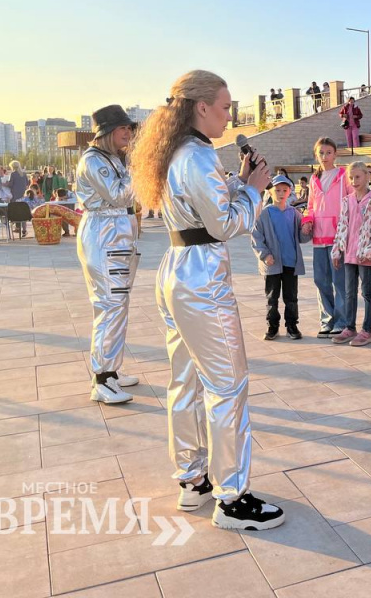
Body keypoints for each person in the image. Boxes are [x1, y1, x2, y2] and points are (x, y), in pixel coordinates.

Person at [128, 70, 283, 530]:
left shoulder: (181, 153)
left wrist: (238, 181)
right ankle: (233, 498)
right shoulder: (196, 156)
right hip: (202, 280)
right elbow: (224, 225)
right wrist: (255, 191)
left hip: (177, 268)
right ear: (201, 107)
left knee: (186, 380)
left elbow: (206, 209)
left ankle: (193, 480)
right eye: (225, 105)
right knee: (228, 386)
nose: (229, 114)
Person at [74, 105, 140, 405]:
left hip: (117, 233)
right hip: (104, 234)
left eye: (129, 128)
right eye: (123, 128)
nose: (128, 133)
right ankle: (101, 378)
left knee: (118, 304)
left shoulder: (113, 158)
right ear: (108, 132)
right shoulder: (94, 160)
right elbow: (117, 194)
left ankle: (111, 370)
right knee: (109, 304)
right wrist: (140, 171)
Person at [331, 161, 371, 346]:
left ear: (367, 176)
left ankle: (367, 330)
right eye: (351, 178)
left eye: (358, 177)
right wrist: (337, 250)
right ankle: (349, 327)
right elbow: (342, 227)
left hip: (365, 255)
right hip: (349, 253)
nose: (354, 181)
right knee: (349, 292)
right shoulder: (346, 200)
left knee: (367, 292)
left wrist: (370, 251)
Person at [252, 175, 309, 341]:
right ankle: (272, 325)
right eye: (277, 190)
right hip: (272, 263)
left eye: (285, 190)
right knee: (272, 297)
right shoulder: (263, 214)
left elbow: (302, 237)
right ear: (270, 191)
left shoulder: (294, 213)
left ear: (290, 192)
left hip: (291, 262)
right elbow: (256, 238)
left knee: (291, 297)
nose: (281, 193)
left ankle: (292, 325)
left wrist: (306, 229)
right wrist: (265, 255)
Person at [303, 138, 348, 337]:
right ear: (316, 155)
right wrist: (307, 221)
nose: (325, 157)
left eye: (328, 152)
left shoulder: (343, 175)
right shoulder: (314, 179)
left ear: (335, 154)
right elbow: (311, 206)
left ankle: (341, 321)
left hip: (338, 237)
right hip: (319, 238)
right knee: (321, 280)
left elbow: (351, 202)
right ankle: (327, 320)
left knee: (339, 281)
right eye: (321, 153)